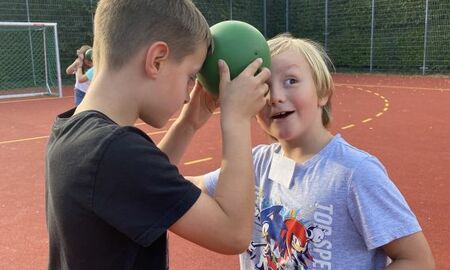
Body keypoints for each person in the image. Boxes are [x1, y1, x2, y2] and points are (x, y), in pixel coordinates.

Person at [45, 0, 270, 269]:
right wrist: (236, 120)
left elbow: (136, 184)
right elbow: (233, 234)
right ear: (157, 60)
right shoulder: (114, 151)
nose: (189, 95)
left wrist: (187, 125)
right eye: (190, 75)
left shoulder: (73, 132)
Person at [191, 34, 435, 269]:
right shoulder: (254, 163)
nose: (275, 96)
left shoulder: (355, 173)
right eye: (264, 86)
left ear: (323, 92)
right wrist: (188, 122)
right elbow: (175, 186)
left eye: (291, 81)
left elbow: (417, 260)